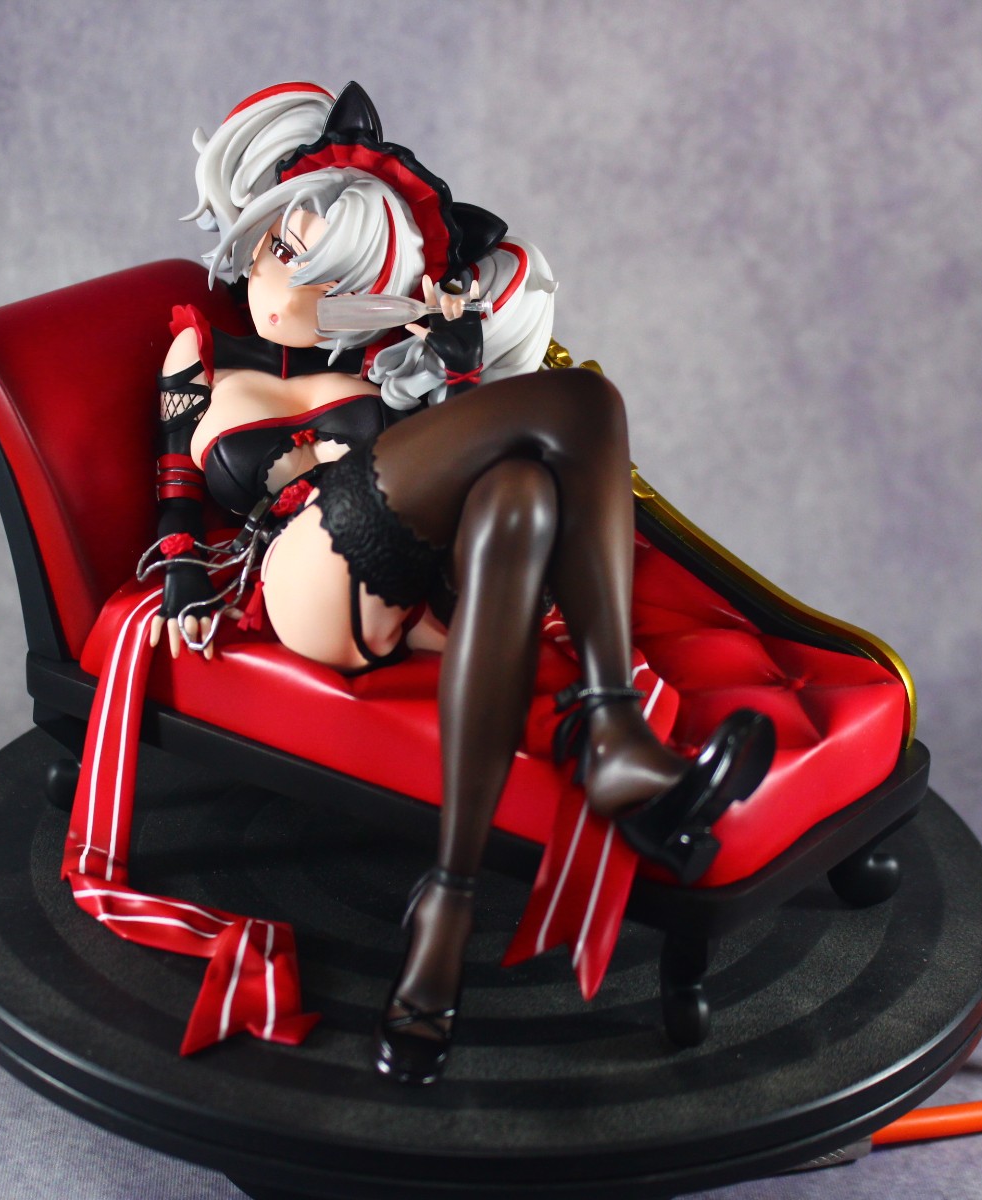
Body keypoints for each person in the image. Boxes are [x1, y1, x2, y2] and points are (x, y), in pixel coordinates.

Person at [142, 81, 773, 1085]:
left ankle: (444, 913)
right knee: (583, 401)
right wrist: (180, 575)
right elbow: (178, 477)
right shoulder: (205, 351)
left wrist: (450, 365)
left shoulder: (374, 365)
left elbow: (452, 475)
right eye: (279, 250)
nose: (284, 285)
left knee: (519, 494)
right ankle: (608, 731)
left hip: (407, 588)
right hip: (302, 573)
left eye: (326, 277)